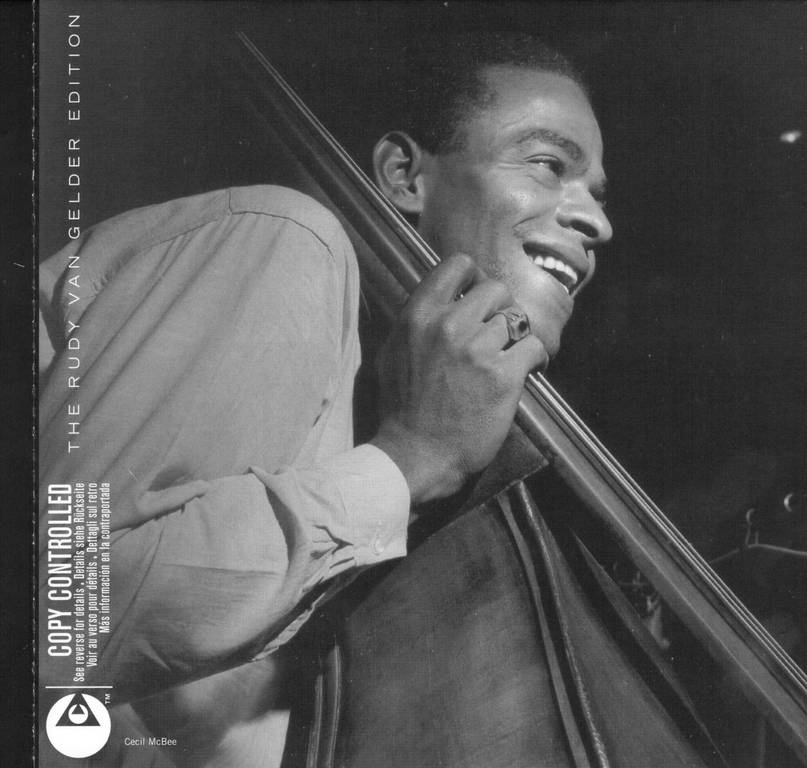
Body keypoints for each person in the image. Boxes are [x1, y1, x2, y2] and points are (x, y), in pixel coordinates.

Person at [39, 33, 610, 768]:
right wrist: (411, 460)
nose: (598, 224)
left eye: (597, 194)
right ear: (405, 176)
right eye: (549, 165)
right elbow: (61, 614)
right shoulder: (288, 239)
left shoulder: (374, 387)